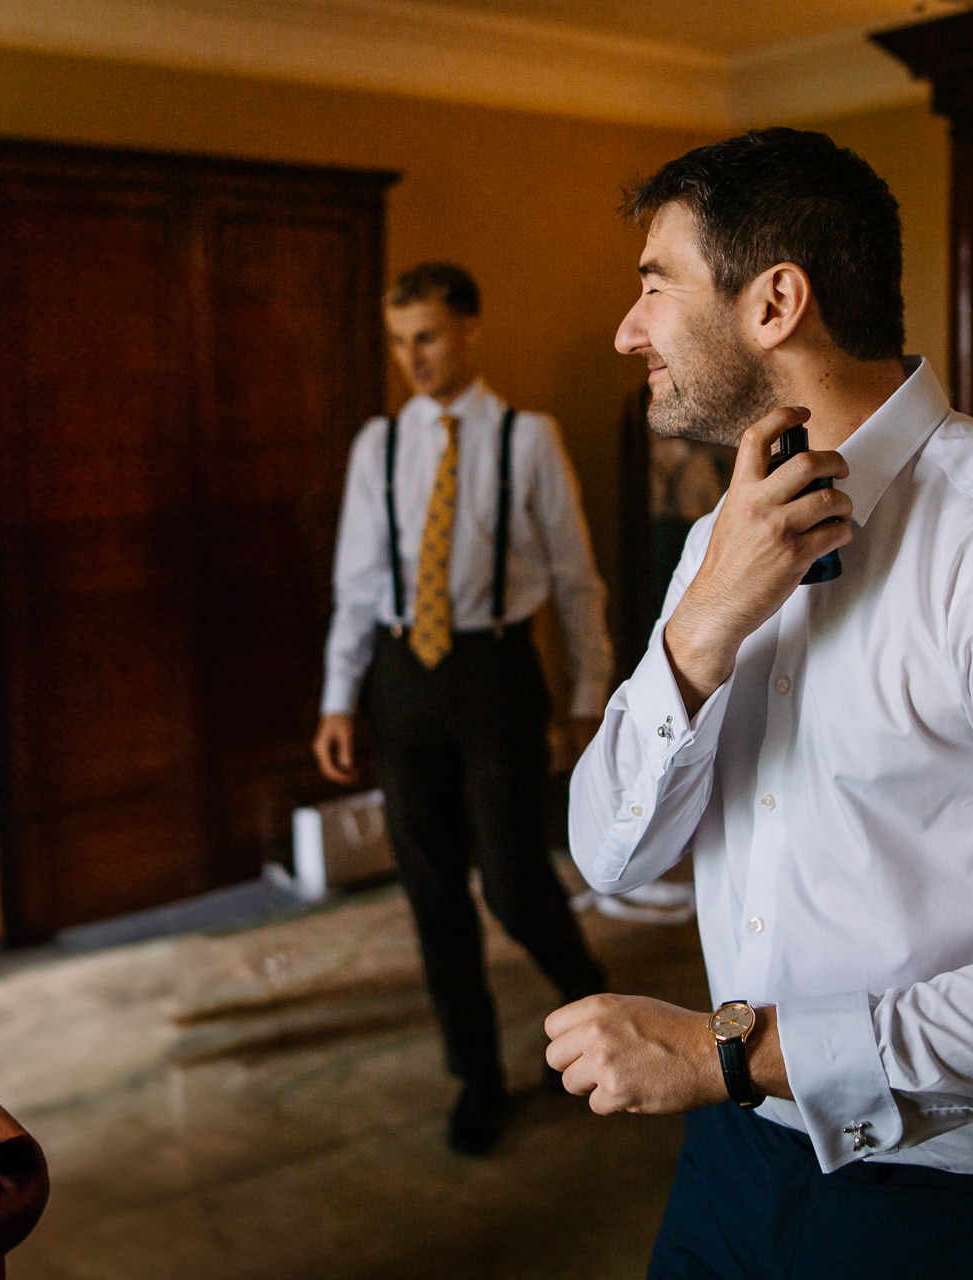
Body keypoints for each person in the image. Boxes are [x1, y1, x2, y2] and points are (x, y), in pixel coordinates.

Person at [545, 130, 973, 1276]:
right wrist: (703, 627)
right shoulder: (719, 539)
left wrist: (728, 1050)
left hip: (962, 1208)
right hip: (733, 1166)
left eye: (654, 285)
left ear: (777, 301)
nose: (628, 329)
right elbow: (610, 852)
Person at [315, 262, 611, 1155]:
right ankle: (476, 1077)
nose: (413, 357)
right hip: (403, 682)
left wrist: (590, 695)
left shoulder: (528, 438)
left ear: (470, 332)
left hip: (495, 674)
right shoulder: (380, 446)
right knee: (432, 893)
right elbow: (358, 587)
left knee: (516, 882)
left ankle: (594, 1005)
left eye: (429, 337)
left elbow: (574, 579)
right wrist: (338, 699)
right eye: (400, 340)